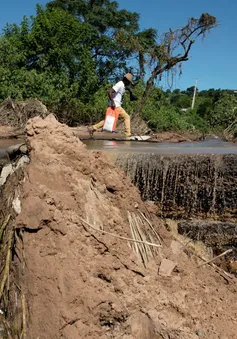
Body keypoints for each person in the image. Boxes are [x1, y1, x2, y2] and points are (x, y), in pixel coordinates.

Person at [88, 73, 137, 138]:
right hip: (116, 105)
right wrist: (112, 101)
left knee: (109, 120)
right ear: (126, 80)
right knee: (127, 117)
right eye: (129, 82)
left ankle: (92, 128)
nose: (129, 84)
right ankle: (128, 135)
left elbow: (126, 88)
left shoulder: (122, 85)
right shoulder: (120, 84)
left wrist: (131, 90)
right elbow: (109, 91)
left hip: (115, 105)